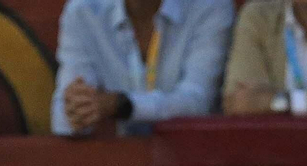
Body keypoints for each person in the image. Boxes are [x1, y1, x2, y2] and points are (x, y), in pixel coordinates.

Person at [51, 0, 232, 136]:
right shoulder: (83, 11)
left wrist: (120, 105)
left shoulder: (210, 6)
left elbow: (198, 102)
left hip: (191, 158)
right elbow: (62, 119)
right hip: (118, 165)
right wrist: (79, 110)